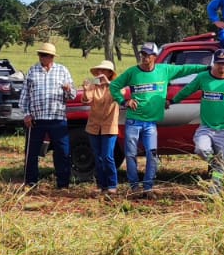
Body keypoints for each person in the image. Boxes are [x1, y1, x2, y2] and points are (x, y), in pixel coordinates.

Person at [109, 42, 208, 196]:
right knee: (130, 154)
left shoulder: (164, 70)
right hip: (133, 121)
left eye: (147, 55)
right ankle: (134, 187)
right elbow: (114, 86)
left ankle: (148, 187)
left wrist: (206, 67)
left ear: (154, 57)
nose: (144, 57)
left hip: (150, 124)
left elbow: (185, 69)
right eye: (142, 54)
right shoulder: (132, 72)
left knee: (152, 154)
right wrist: (124, 101)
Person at [172, 49, 224, 193]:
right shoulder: (203, 77)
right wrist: (172, 100)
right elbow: (187, 90)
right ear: (213, 63)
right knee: (201, 149)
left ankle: (215, 191)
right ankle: (214, 162)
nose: (221, 67)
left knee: (222, 166)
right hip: (207, 127)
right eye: (218, 63)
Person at [21, 42, 76, 189]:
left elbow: (72, 95)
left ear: (52, 57)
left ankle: (63, 184)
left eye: (46, 55)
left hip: (57, 118)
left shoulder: (63, 71)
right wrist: (26, 114)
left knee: (62, 152)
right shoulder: (32, 71)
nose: (43, 57)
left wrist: (68, 89)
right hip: (37, 119)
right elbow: (24, 96)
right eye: (41, 54)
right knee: (31, 152)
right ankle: (30, 182)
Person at [79, 60, 121, 195]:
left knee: (108, 156)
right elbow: (86, 100)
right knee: (98, 157)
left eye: (103, 71)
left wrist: (109, 84)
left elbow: (122, 93)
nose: (100, 73)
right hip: (94, 126)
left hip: (109, 126)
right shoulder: (94, 86)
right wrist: (86, 90)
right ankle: (102, 185)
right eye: (99, 71)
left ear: (109, 73)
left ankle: (112, 184)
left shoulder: (115, 86)